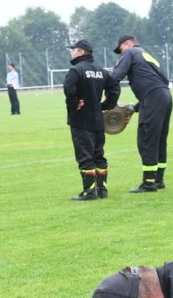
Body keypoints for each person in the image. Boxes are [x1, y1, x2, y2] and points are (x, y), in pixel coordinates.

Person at [112, 35, 172, 193]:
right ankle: (158, 180)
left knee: (147, 140)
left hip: (153, 98)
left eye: (120, 49)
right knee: (159, 140)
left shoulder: (130, 52)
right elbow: (160, 83)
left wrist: (106, 96)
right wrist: (134, 108)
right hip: (164, 97)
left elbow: (116, 76)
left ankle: (149, 183)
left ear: (127, 43)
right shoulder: (147, 55)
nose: (121, 53)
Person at [63, 39, 120, 201]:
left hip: (81, 121)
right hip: (98, 121)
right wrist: (106, 105)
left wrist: (74, 102)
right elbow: (115, 88)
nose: (71, 52)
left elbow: (69, 89)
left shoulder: (76, 70)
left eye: (73, 50)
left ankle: (89, 192)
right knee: (98, 155)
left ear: (80, 52)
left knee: (85, 156)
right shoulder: (101, 71)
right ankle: (102, 190)